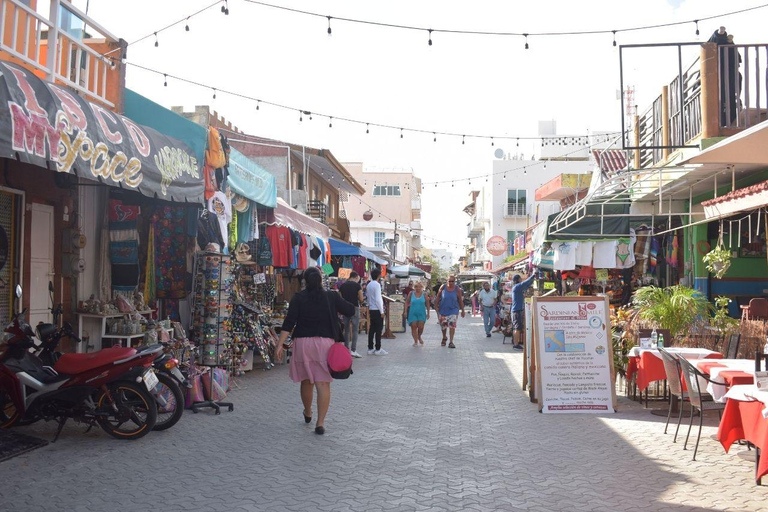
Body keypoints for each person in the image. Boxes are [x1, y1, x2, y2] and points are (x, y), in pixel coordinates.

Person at [275, 267, 355, 435]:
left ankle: (308, 412)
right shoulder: (331, 296)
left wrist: (279, 345)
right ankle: (320, 423)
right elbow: (350, 310)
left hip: (303, 344)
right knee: (323, 383)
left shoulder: (298, 298)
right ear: (320, 280)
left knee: (306, 381)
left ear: (304, 281)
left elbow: (289, 323)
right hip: (325, 345)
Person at [433, 275, 465, 349]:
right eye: (449, 281)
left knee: (452, 325)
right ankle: (444, 337)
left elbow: (460, 300)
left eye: (452, 281)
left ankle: (451, 342)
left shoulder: (457, 289)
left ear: (454, 281)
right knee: (443, 326)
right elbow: (438, 297)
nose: (451, 283)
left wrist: (463, 310)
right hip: (443, 309)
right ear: (447, 281)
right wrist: (436, 305)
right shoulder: (443, 287)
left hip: (453, 309)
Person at [338, 271, 365, 358]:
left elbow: (340, 298)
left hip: (345, 308)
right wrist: (360, 299)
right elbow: (361, 299)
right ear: (356, 277)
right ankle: (353, 350)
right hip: (354, 308)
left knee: (346, 329)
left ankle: (346, 348)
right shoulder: (357, 286)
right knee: (355, 329)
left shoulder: (342, 286)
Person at [510, 271, 536, 350]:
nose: (521, 280)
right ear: (518, 280)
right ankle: (516, 344)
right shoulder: (517, 286)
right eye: (520, 279)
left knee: (517, 327)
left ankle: (515, 342)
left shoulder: (517, 287)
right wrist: (533, 275)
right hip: (516, 310)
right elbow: (526, 283)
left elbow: (527, 284)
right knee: (517, 328)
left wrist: (533, 279)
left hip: (517, 310)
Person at [365, 267, 387, 355]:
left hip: (371, 308)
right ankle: (378, 348)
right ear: (378, 275)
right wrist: (382, 311)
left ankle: (370, 348)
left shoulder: (369, 284)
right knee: (378, 329)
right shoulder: (377, 285)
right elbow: (378, 299)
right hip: (377, 309)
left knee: (372, 329)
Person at [404, 281, 430, 346]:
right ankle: (415, 341)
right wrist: (405, 311)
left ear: (422, 287)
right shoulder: (411, 293)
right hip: (413, 313)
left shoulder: (424, 294)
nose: (418, 288)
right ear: (414, 287)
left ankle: (419, 336)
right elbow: (407, 302)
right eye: (416, 287)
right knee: (413, 326)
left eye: (419, 287)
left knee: (421, 327)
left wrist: (428, 313)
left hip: (421, 313)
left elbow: (427, 304)